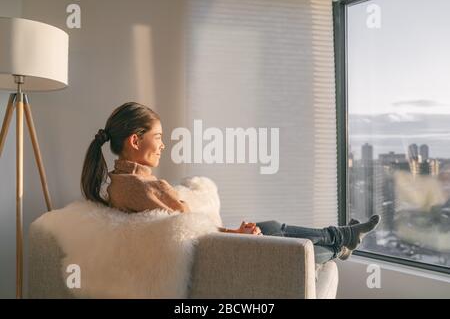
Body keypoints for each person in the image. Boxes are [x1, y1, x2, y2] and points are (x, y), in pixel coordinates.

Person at [81, 102, 380, 264]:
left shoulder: (121, 183)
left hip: (207, 245)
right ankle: (340, 244)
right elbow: (191, 231)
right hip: (212, 254)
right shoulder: (145, 188)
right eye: (157, 137)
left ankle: (341, 235)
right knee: (294, 249)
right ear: (135, 140)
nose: (163, 145)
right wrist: (237, 234)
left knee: (273, 226)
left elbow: (182, 225)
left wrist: (236, 231)